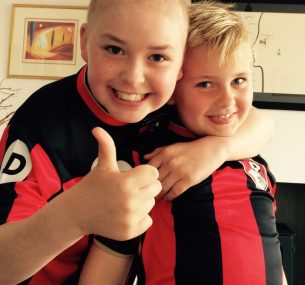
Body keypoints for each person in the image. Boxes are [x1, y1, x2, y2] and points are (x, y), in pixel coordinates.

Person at [0, 0, 274, 284]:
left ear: (181, 65)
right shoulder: (44, 120)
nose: (133, 79)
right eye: (114, 50)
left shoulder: (172, 102)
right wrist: (75, 215)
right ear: (84, 42)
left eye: (157, 57)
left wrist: (217, 149)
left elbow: (259, 122)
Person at [78, 1, 286, 285]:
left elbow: (270, 253)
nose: (227, 100)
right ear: (174, 88)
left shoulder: (253, 159)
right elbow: (110, 263)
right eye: (205, 84)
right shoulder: (147, 160)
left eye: (238, 80)